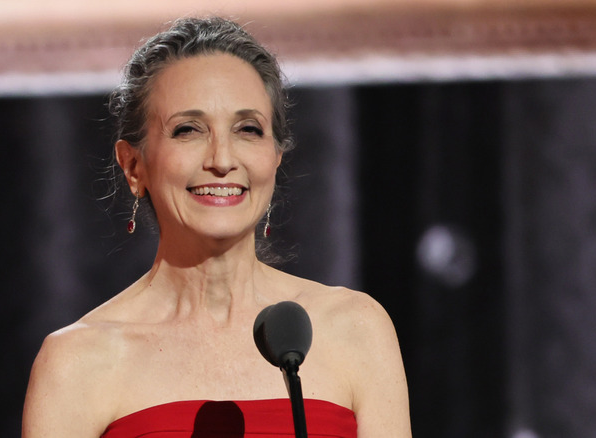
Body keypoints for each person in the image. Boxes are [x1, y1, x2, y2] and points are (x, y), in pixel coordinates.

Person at [22, 16, 411, 437]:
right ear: (134, 165)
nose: (223, 160)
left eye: (248, 129)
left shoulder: (356, 328)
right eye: (188, 130)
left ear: (276, 157)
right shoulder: (77, 362)